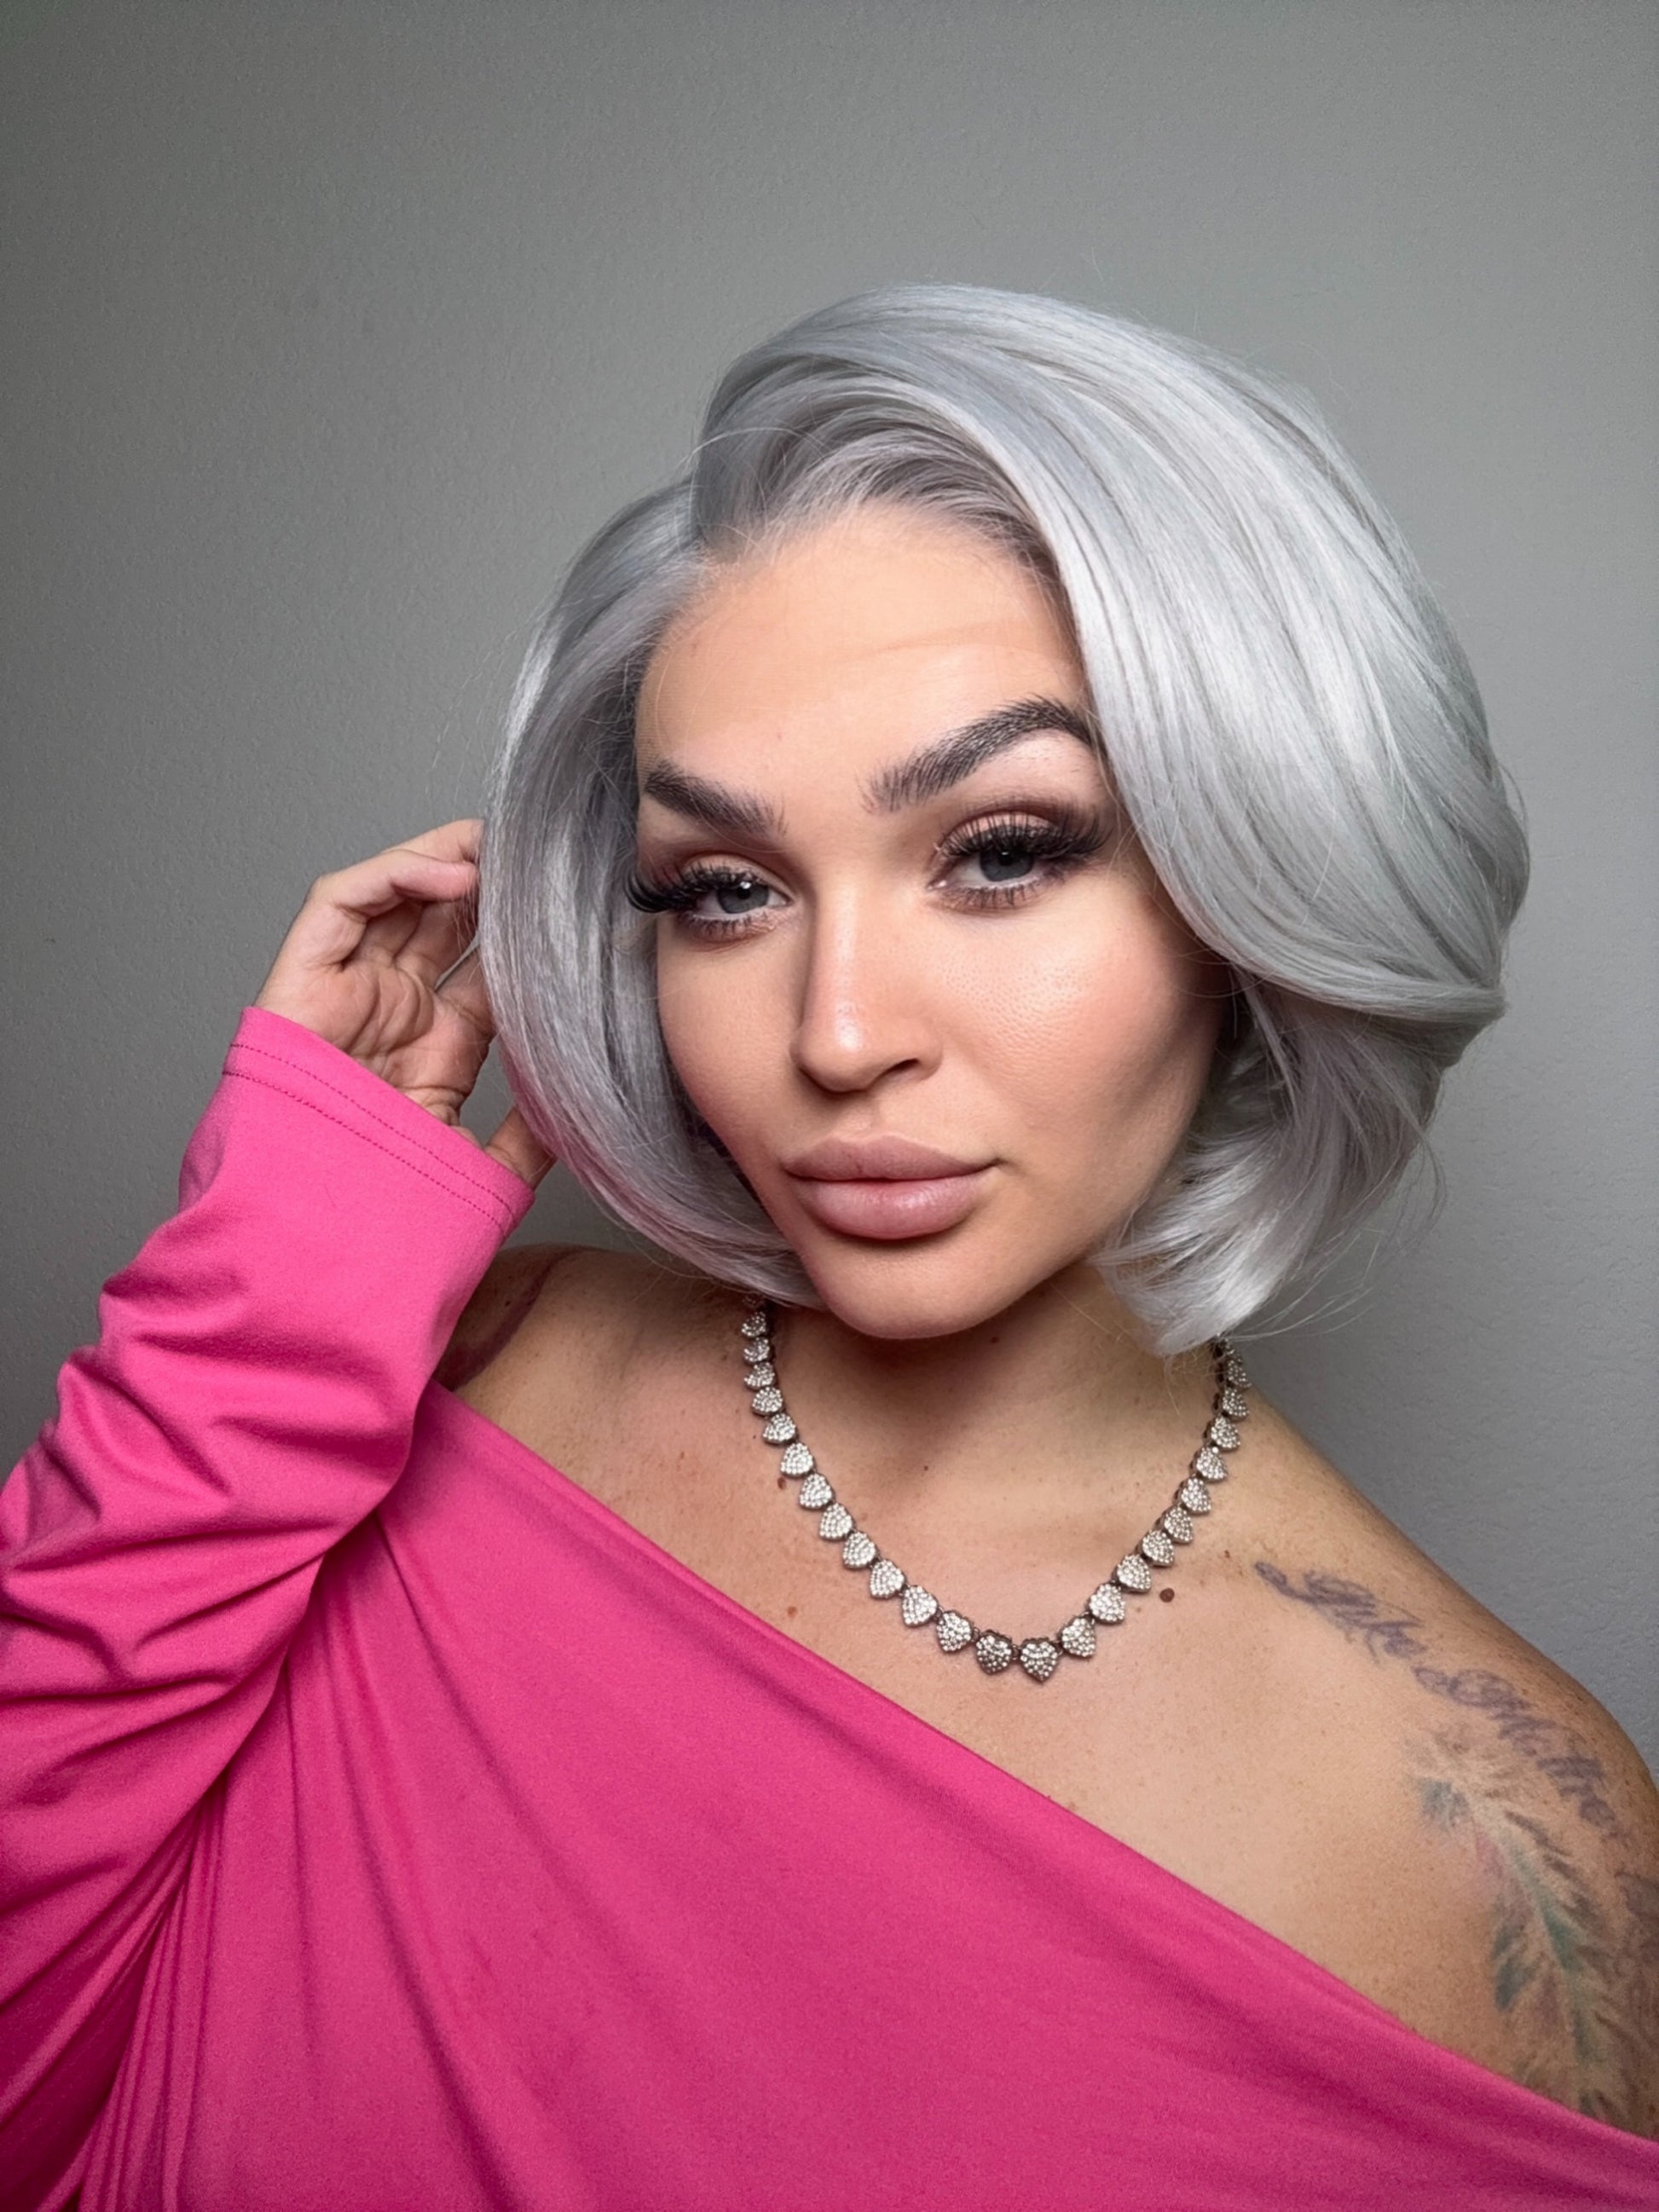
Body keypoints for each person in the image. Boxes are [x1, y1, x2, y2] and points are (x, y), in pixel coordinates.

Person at [3, 283, 1656, 2210]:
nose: (838, 1032)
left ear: (1258, 884)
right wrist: (276, 1262)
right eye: (724, 888)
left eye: (1003, 851)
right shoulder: (452, 1373)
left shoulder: (1503, 1845)